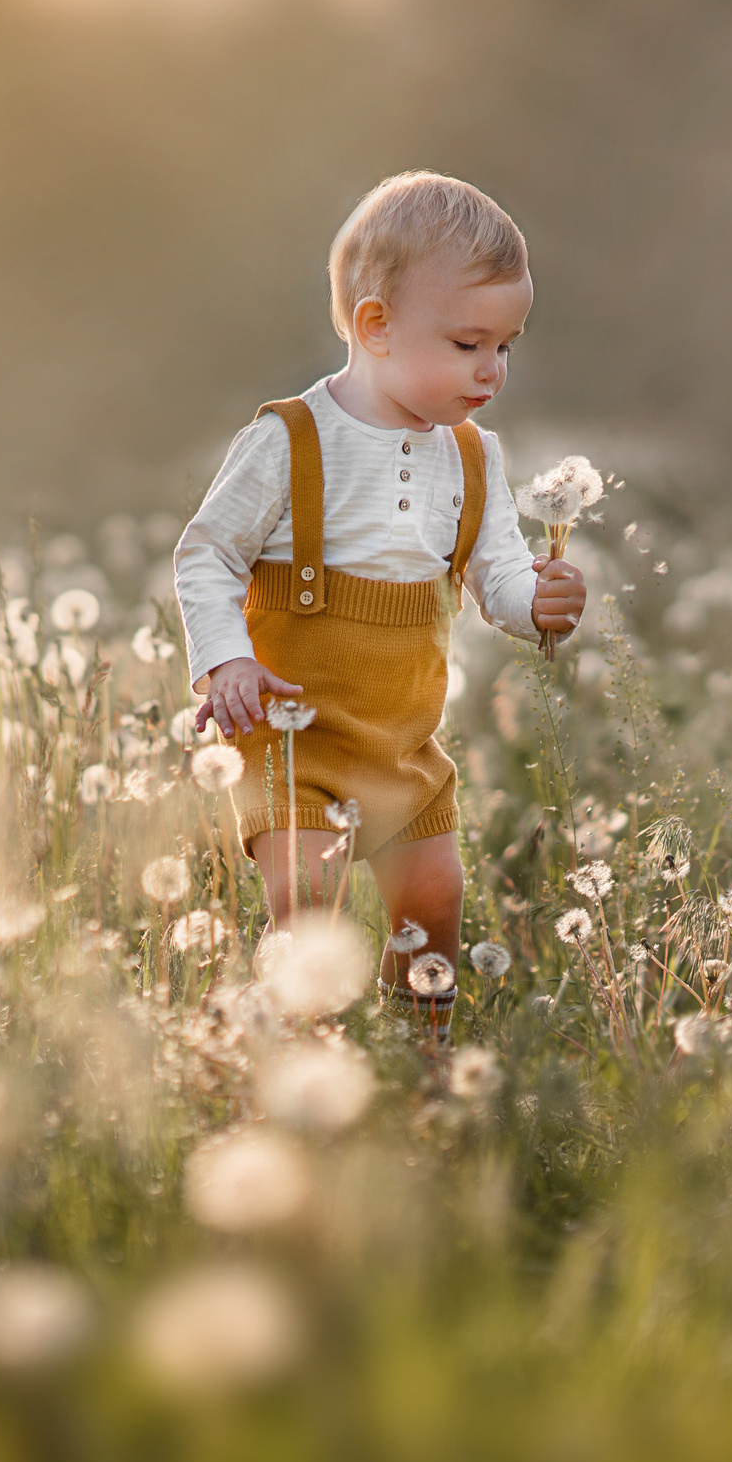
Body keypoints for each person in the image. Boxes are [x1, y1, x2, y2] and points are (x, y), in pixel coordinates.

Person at [173, 172, 587, 1047]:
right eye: (470, 342)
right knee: (308, 901)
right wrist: (226, 660)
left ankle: (422, 1055)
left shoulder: (473, 458)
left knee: (434, 900)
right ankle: (300, 1051)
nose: (492, 369)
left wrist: (539, 602)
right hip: (295, 742)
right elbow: (207, 553)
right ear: (375, 326)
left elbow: (498, 571)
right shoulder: (289, 439)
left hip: (404, 743)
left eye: (507, 345)